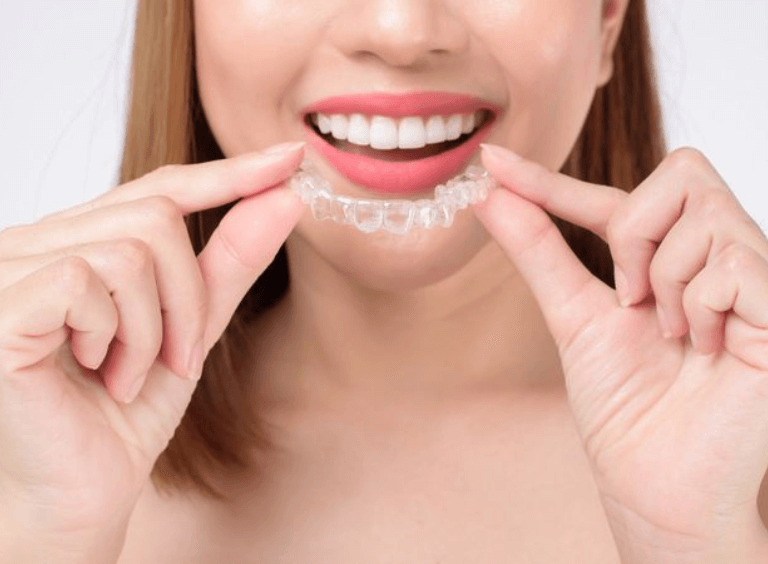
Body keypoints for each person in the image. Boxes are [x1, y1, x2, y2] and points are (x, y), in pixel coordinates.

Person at [1, 0, 767, 562]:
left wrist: (700, 546)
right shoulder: (34, 466)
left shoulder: (734, 468)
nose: (400, 31)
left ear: (606, 20)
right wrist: (43, 532)